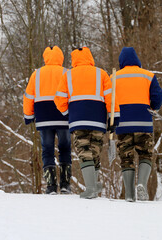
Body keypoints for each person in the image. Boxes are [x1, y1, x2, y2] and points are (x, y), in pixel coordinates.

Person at [54, 47, 120, 199]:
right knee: (95, 151)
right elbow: (111, 99)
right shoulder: (101, 74)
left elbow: (59, 99)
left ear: (74, 59)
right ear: (90, 58)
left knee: (84, 151)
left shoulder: (68, 75)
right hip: (98, 120)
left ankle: (90, 188)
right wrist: (114, 118)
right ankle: (94, 185)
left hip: (78, 119)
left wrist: (67, 113)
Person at [114, 47, 162, 201]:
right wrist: (153, 107)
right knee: (145, 155)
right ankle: (141, 184)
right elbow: (158, 95)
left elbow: (108, 100)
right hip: (144, 123)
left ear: (121, 61)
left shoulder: (114, 77)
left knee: (126, 158)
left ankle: (129, 194)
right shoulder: (148, 76)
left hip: (122, 124)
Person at [23, 46, 72, 195]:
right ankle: (65, 184)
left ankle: (51, 185)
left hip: (44, 117)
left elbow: (28, 96)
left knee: (47, 149)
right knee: (65, 148)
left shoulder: (36, 74)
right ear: (61, 57)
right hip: (63, 116)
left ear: (45, 58)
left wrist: (28, 116)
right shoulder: (66, 73)